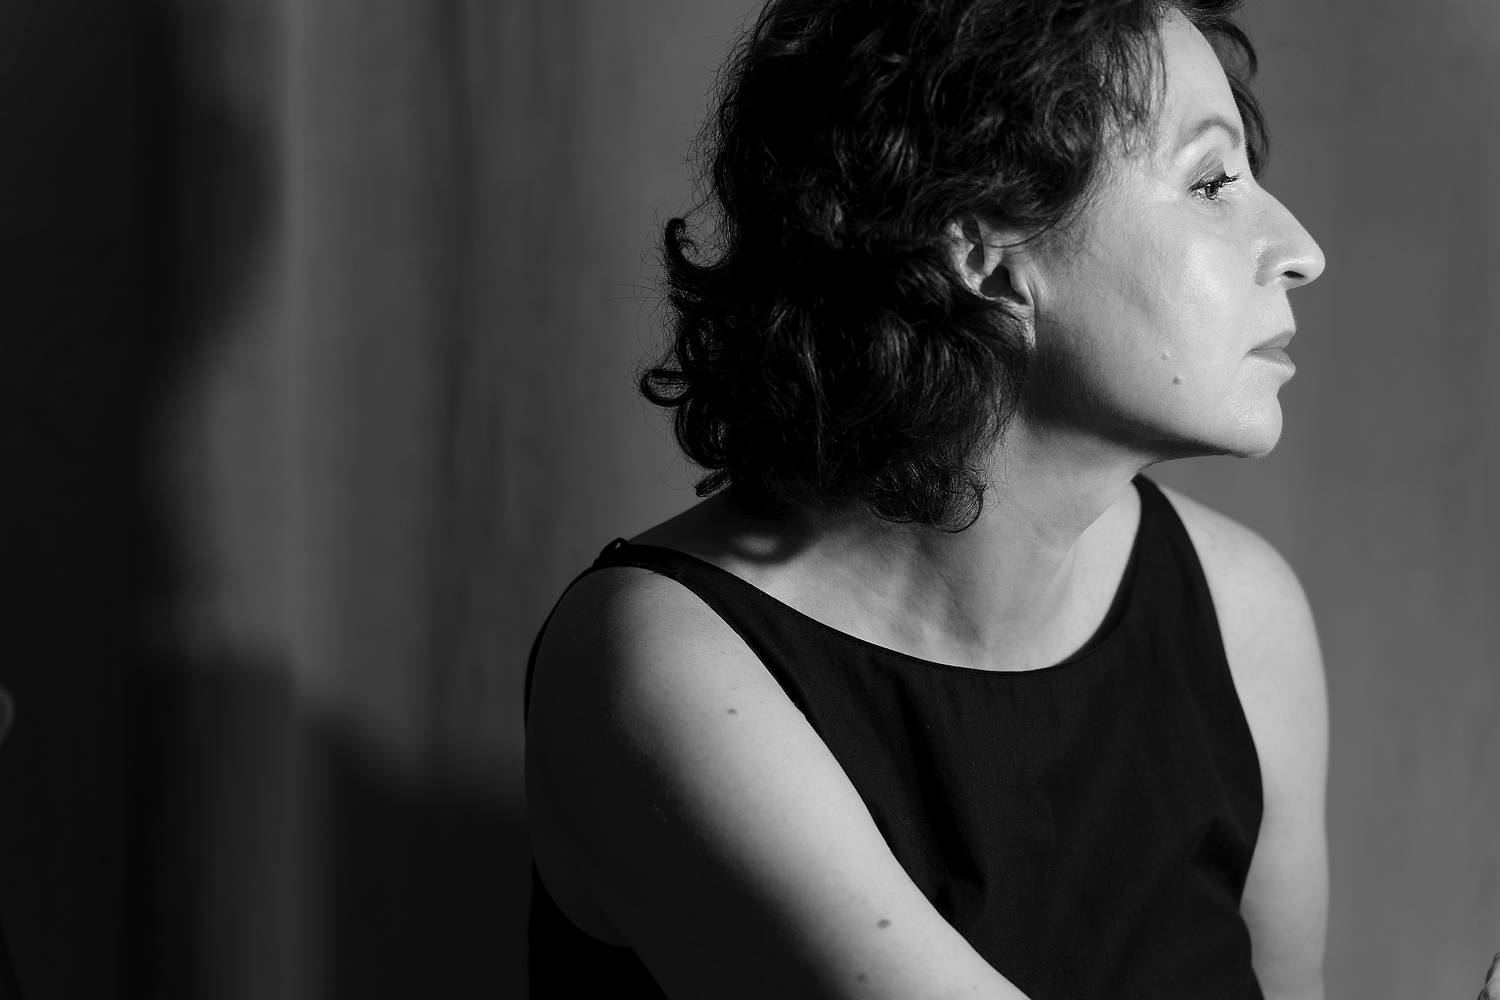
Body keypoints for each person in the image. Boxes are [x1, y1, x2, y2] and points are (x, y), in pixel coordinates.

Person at [523, 2, 1493, 998]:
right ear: (984, 251)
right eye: (1210, 181)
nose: (1301, 248)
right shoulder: (659, 663)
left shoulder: (1243, 612)